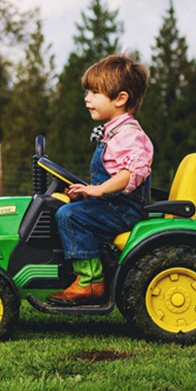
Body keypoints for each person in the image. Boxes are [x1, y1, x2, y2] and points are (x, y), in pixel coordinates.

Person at [47, 53, 153, 306]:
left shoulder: (128, 134)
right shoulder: (114, 133)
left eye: (95, 92)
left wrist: (99, 190)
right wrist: (86, 190)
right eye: (88, 92)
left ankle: (90, 281)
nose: (87, 98)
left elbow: (133, 171)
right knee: (71, 207)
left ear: (120, 99)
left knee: (70, 215)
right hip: (113, 204)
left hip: (124, 209)